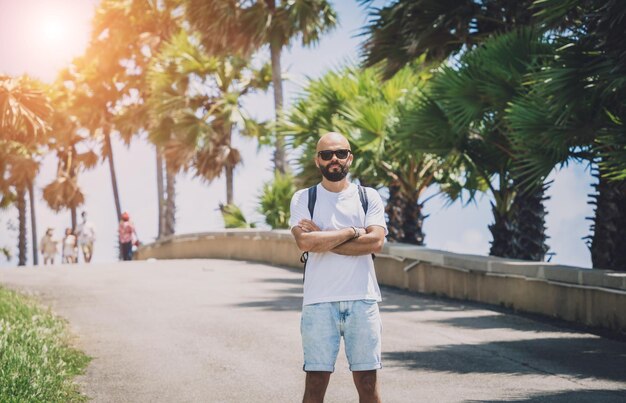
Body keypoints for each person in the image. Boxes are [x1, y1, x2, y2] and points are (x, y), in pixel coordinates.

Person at [289, 132, 387, 403]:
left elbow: (375, 242)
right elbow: (305, 242)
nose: (334, 159)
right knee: (315, 383)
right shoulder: (304, 198)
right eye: (327, 154)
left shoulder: (368, 197)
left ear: (350, 157)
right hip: (319, 302)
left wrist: (325, 236)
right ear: (317, 160)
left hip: (363, 300)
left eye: (341, 153)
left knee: (368, 383)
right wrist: (354, 232)